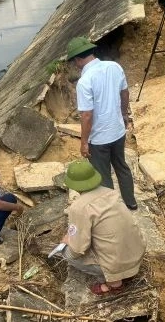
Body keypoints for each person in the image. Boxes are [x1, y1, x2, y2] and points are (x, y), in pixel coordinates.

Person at [66, 36, 137, 210]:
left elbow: (87, 115)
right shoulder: (114, 66)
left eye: (74, 60)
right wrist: (123, 114)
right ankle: (131, 202)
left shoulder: (84, 81)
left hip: (99, 139)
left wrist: (84, 143)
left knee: (103, 175)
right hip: (118, 131)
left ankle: (112, 210)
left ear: (78, 59)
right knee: (122, 167)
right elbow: (125, 93)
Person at [57, 159, 145, 295]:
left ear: (73, 185)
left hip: (115, 264)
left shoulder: (79, 208)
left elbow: (78, 249)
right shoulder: (110, 192)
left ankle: (113, 284)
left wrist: (67, 241)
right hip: (137, 252)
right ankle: (127, 273)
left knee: (66, 253)